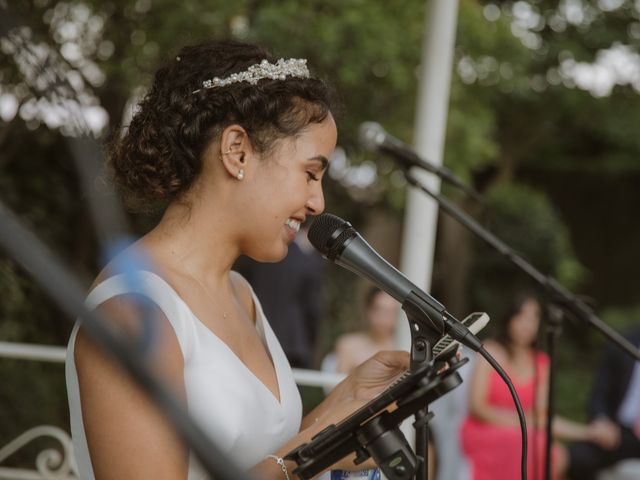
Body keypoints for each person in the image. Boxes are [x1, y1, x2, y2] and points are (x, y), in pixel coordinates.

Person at [64, 40, 410, 480]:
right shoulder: (132, 310)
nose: (318, 202)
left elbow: (259, 457)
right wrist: (315, 453)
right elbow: (286, 465)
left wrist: (345, 403)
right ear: (237, 151)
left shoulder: (241, 294)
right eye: (310, 173)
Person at [460, 292, 597, 480]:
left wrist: (588, 433)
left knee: (556, 454)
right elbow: (478, 407)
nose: (527, 324)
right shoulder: (489, 351)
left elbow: (542, 418)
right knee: (536, 446)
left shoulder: (541, 363)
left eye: (534, 317)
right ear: (509, 318)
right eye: (521, 316)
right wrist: (523, 422)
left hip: (527, 433)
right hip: (484, 432)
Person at [237, 224, 324, 369]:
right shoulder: (309, 262)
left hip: (254, 334)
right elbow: (312, 307)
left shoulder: (256, 254)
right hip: (293, 343)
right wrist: (310, 341)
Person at [567, 327, 640, 480]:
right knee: (579, 457)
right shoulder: (624, 343)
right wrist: (602, 419)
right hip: (619, 433)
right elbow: (599, 393)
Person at [333, 287, 399, 374]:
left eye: (390, 312)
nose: (383, 318)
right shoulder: (349, 345)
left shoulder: (404, 347)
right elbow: (338, 383)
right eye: (378, 310)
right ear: (368, 310)